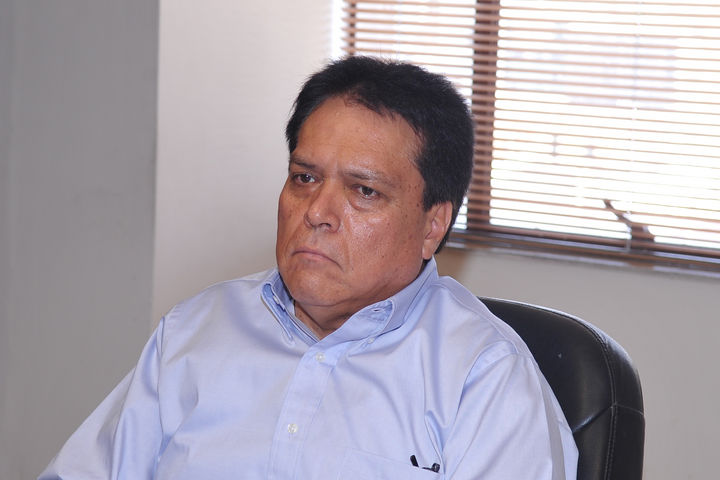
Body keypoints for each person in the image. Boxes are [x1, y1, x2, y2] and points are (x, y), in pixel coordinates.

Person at [39, 56, 577, 479]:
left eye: (364, 191)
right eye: (304, 178)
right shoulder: (194, 330)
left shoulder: (484, 378)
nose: (317, 212)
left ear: (433, 225)